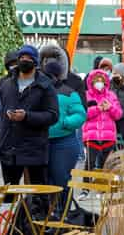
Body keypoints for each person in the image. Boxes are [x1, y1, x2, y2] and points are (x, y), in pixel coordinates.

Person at [0, 45, 58, 211]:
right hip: (9, 148)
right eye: (21, 58)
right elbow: (0, 111)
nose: (24, 61)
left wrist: (27, 116)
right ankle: (9, 226)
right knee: (8, 195)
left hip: (34, 148)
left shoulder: (45, 86)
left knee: (39, 194)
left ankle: (39, 225)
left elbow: (53, 115)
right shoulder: (6, 85)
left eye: (28, 58)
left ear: (35, 62)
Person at [42, 61, 86, 213]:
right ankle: (47, 215)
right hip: (42, 141)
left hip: (64, 142)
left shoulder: (69, 92)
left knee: (61, 180)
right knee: (45, 182)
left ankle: (64, 214)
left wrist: (64, 123)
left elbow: (80, 115)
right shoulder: (39, 90)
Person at [78, 69, 123, 201]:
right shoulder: (86, 95)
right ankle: (85, 189)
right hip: (91, 136)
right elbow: (83, 115)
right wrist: (98, 108)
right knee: (89, 164)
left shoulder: (111, 95)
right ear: (91, 82)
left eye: (101, 81)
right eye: (96, 81)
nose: (99, 83)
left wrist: (110, 107)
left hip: (108, 136)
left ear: (105, 82)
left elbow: (118, 114)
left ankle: (102, 189)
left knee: (105, 164)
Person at [40, 44, 87, 162]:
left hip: (65, 137)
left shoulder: (74, 80)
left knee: (59, 176)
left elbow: (81, 110)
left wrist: (65, 123)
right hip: (40, 137)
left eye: (57, 57)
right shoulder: (38, 81)